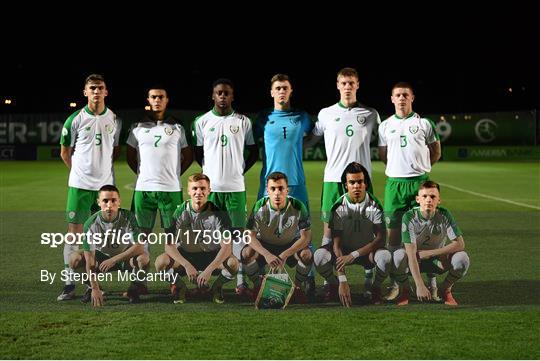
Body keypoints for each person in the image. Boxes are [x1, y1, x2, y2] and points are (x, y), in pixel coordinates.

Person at [308, 67, 381, 292]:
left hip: (361, 180)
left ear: (357, 85)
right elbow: (310, 141)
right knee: (329, 231)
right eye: (343, 83)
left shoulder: (371, 114)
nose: (347, 87)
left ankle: (369, 278)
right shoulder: (325, 113)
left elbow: (387, 142)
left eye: (351, 83)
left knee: (368, 228)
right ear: (337, 85)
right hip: (332, 180)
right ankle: (328, 279)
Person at [192, 78, 258, 297]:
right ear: (213, 95)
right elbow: (197, 152)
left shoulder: (243, 121)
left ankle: (240, 282)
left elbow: (253, 152)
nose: (222, 96)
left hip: (235, 188)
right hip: (211, 189)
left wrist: (238, 170)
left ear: (232, 96)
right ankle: (205, 277)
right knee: (210, 235)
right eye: (219, 93)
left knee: (237, 235)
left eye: (226, 93)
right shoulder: (201, 121)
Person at [58, 74, 122, 301]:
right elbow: (65, 151)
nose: (96, 91)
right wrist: (78, 173)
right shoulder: (74, 119)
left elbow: (114, 150)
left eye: (100, 88)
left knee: (97, 237)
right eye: (92, 88)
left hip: (104, 189)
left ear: (106, 92)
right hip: (79, 186)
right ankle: (68, 283)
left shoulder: (114, 118)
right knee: (74, 235)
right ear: (85, 92)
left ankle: (91, 282)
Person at [252, 73, 316, 298]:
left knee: (304, 232)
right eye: (277, 88)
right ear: (271, 92)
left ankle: (307, 280)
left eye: (285, 88)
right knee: (261, 231)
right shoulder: (262, 118)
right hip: (268, 184)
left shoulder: (302, 117)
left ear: (291, 91)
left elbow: (311, 136)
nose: (281, 91)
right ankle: (260, 277)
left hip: (296, 182)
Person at [378, 81, 441, 301]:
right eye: (398, 95)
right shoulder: (385, 126)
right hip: (394, 185)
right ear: (392, 99)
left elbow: (436, 152)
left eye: (405, 94)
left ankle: (431, 284)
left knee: (426, 237)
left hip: (419, 183)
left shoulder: (424, 123)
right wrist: (398, 169)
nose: (402, 98)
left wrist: (421, 170)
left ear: (412, 98)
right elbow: (383, 154)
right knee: (393, 238)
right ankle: (397, 284)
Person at [314, 162, 391, 307]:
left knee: (385, 257)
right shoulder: (339, 207)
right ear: (346, 185)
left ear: (365, 184)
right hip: (343, 252)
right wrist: (342, 280)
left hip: (366, 252)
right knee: (319, 257)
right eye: (352, 182)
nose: (356, 186)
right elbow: (336, 244)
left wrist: (354, 255)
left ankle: (375, 288)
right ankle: (333, 285)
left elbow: (381, 239)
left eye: (360, 182)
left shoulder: (374, 205)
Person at [154, 173, 239, 304]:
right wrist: (186, 265)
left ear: (209, 191)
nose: (198, 192)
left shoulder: (219, 213)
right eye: (194, 189)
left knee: (233, 264)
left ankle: (216, 287)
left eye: (202, 188)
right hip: (187, 255)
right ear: (188, 191)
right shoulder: (179, 212)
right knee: (160, 262)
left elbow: (227, 247)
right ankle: (181, 287)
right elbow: (169, 245)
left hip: (212, 255)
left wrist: (209, 270)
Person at [126, 86, 192, 247]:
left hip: (171, 189)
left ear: (166, 100)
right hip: (144, 189)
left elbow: (189, 157)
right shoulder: (137, 127)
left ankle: (170, 270)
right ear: (148, 100)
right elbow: (130, 157)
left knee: (173, 233)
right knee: (141, 233)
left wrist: (174, 174)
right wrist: (143, 174)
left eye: (161, 97)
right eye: (153, 97)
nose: (157, 100)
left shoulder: (178, 127)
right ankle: (140, 269)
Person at [392, 181, 470, 306]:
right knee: (398, 256)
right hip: (415, 261)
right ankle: (406, 290)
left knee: (462, 259)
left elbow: (460, 244)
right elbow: (411, 254)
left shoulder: (444, 215)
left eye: (433, 197)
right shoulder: (409, 216)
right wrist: (420, 285)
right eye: (424, 196)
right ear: (418, 199)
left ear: (439, 200)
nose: (428, 200)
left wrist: (430, 253)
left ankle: (445, 289)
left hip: (437, 262)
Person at [241, 172, 313, 303]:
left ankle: (297, 287)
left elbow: (306, 237)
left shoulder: (298, 206)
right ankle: (258, 286)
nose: (277, 193)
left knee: (307, 254)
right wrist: (266, 254)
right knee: (246, 253)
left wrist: (285, 254)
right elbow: (249, 236)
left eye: (281, 188)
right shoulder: (260, 206)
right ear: (267, 190)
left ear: (287, 190)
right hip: (265, 244)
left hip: (289, 244)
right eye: (273, 189)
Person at [78, 185, 149, 307]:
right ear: (98, 202)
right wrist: (95, 288)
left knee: (144, 258)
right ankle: (92, 288)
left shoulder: (129, 217)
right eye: (105, 201)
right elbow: (90, 261)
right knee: (75, 259)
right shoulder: (90, 224)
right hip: (100, 261)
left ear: (119, 202)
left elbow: (140, 247)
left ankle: (133, 289)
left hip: (123, 259)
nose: (109, 205)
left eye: (113, 200)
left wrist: (114, 259)